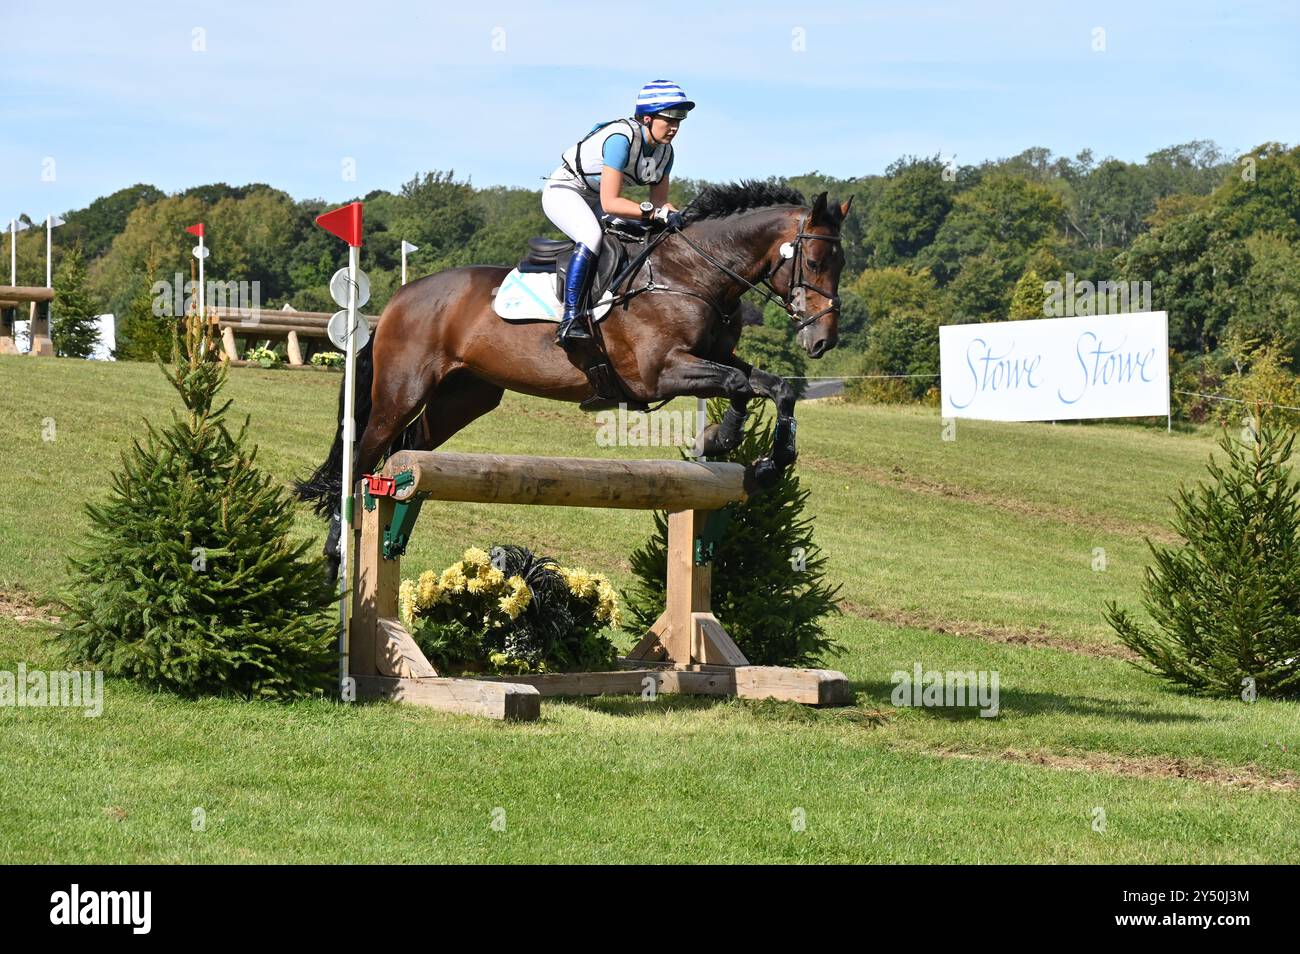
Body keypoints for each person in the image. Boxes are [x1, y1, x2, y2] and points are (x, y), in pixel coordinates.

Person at [542, 80, 692, 348]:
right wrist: (657, 214)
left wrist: (682, 219)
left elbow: (660, 203)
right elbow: (611, 203)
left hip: (596, 199)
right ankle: (571, 319)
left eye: (679, 120)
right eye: (669, 119)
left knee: (641, 236)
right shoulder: (620, 139)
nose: (675, 127)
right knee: (591, 235)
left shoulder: (665, 153)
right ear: (647, 118)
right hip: (565, 191)